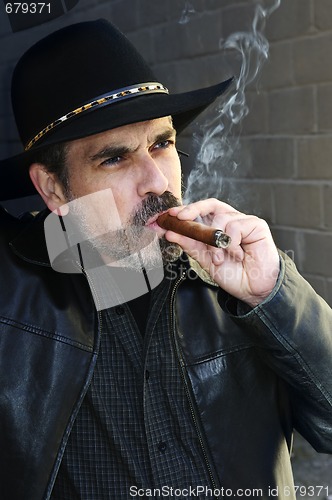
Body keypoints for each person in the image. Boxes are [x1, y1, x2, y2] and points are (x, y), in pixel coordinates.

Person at [0, 19, 331, 500]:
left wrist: (275, 295)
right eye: (114, 158)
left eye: (163, 143)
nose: (157, 180)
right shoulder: (14, 301)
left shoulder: (241, 283)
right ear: (53, 189)